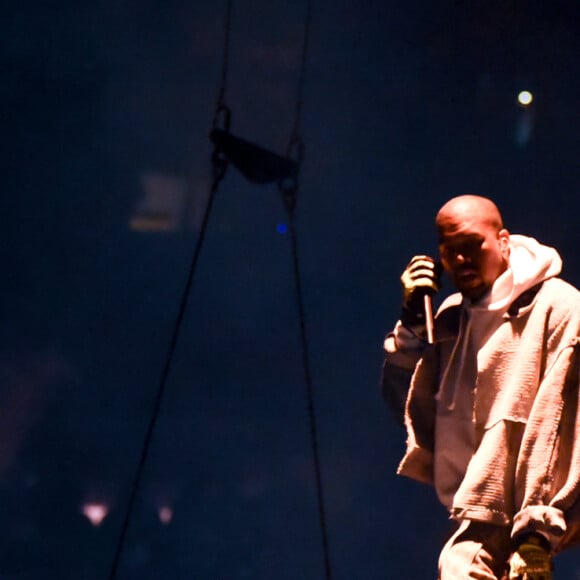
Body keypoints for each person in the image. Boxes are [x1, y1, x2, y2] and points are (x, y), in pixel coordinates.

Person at [381, 194, 580, 579]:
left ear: (503, 241)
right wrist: (412, 325)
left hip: (550, 500)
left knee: (461, 564)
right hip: (494, 504)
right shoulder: (453, 318)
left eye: (473, 245)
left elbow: (560, 417)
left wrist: (536, 532)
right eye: (450, 250)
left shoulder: (558, 305)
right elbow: (405, 408)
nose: (461, 260)